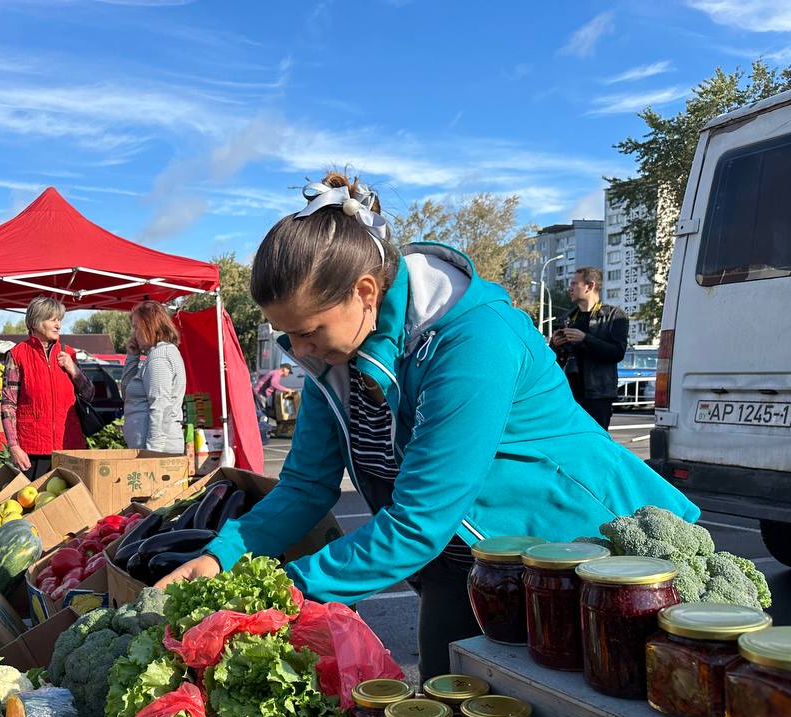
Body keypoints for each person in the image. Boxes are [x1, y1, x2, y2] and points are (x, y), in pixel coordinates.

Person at [157, 172, 697, 679]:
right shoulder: (333, 355)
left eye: (309, 331)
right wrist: (219, 558)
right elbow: (304, 488)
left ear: (366, 293)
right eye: (287, 335)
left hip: (588, 561)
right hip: (467, 566)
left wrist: (275, 598)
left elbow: (418, 520)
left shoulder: (473, 341)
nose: (299, 352)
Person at [2, 295, 93, 478]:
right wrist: (13, 446)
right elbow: (8, 404)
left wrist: (74, 370)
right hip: (33, 451)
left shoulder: (68, 353)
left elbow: (89, 394)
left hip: (70, 447)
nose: (58, 325)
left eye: (59, 320)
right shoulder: (17, 355)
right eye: (52, 320)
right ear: (35, 323)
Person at [550, 267, 628, 430]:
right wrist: (555, 346)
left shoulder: (615, 316)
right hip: (569, 395)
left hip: (598, 396)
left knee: (596, 443)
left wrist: (585, 338)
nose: (569, 288)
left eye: (574, 283)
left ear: (589, 286)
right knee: (570, 443)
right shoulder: (568, 318)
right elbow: (557, 360)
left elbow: (617, 352)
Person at [121, 301, 186, 453]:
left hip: (156, 451)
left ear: (148, 325)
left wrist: (152, 453)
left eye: (136, 327)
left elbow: (160, 407)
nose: (134, 333)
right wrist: (132, 356)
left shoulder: (159, 357)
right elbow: (127, 394)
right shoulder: (157, 355)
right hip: (149, 449)